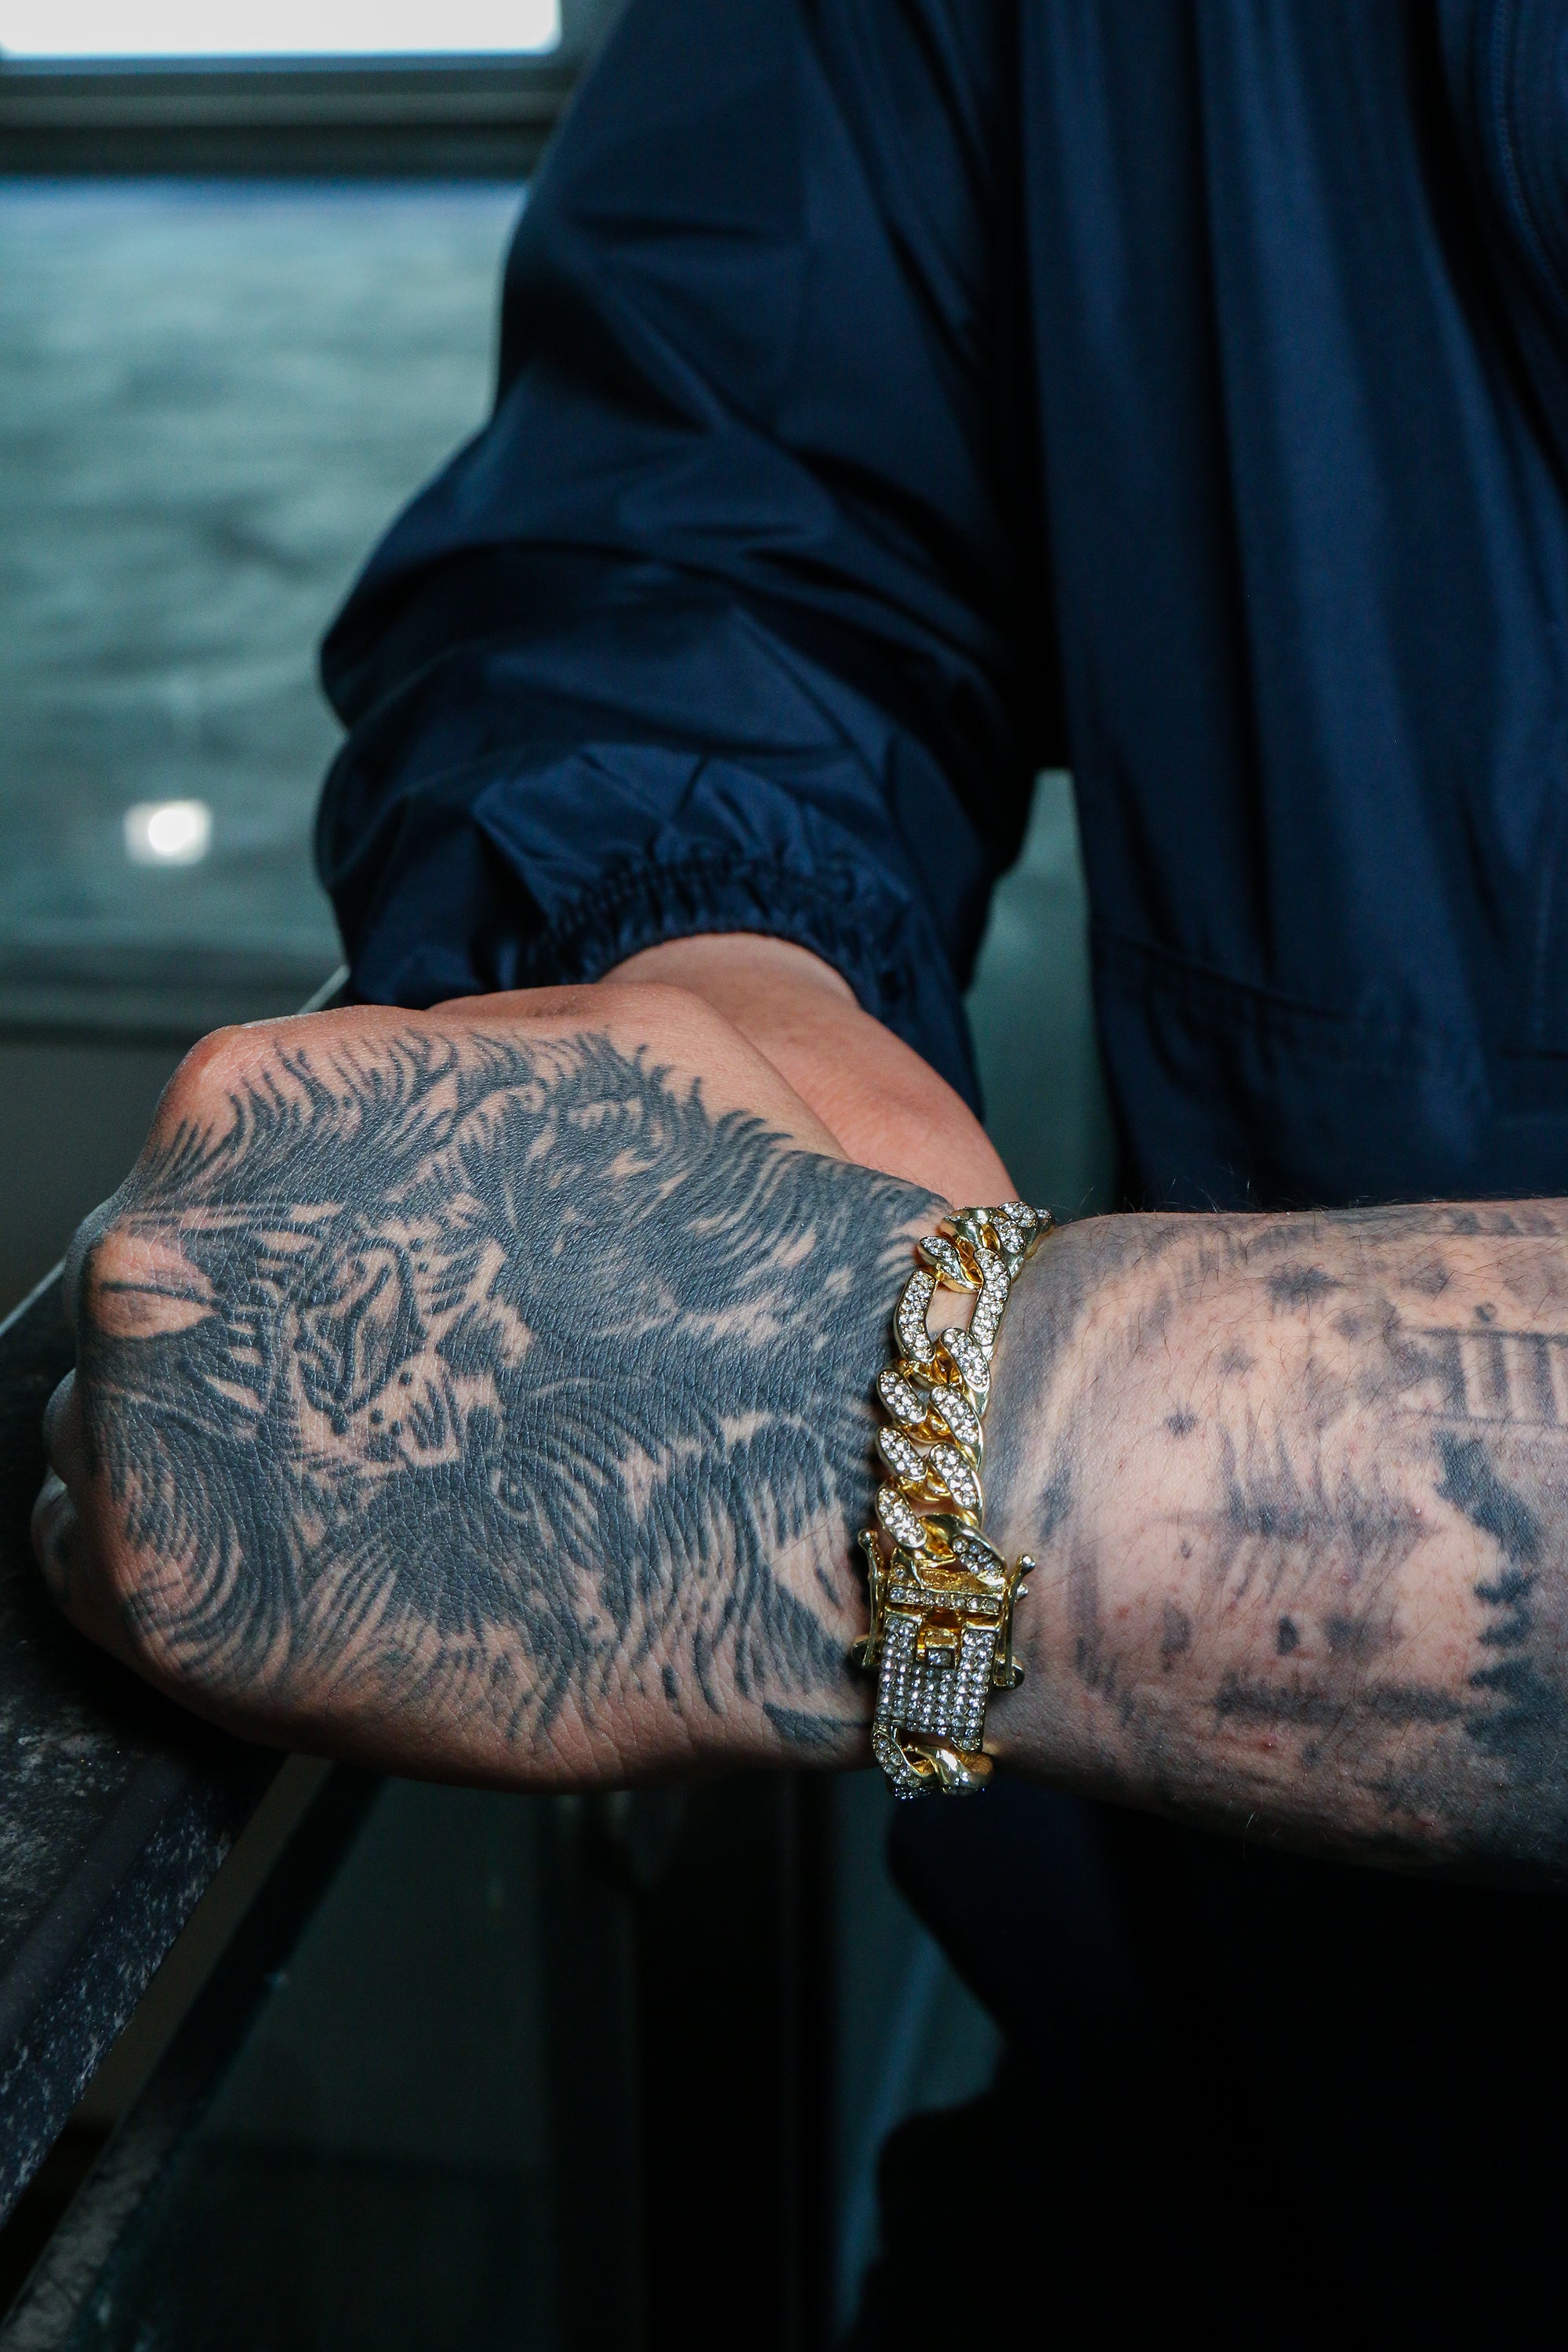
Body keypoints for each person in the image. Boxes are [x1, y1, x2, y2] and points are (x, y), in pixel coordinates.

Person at [31, 3, 1568, 2340]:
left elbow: (870, 1447)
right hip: (1225, 2119)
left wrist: (895, 1438)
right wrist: (716, 955)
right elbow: (724, 468)